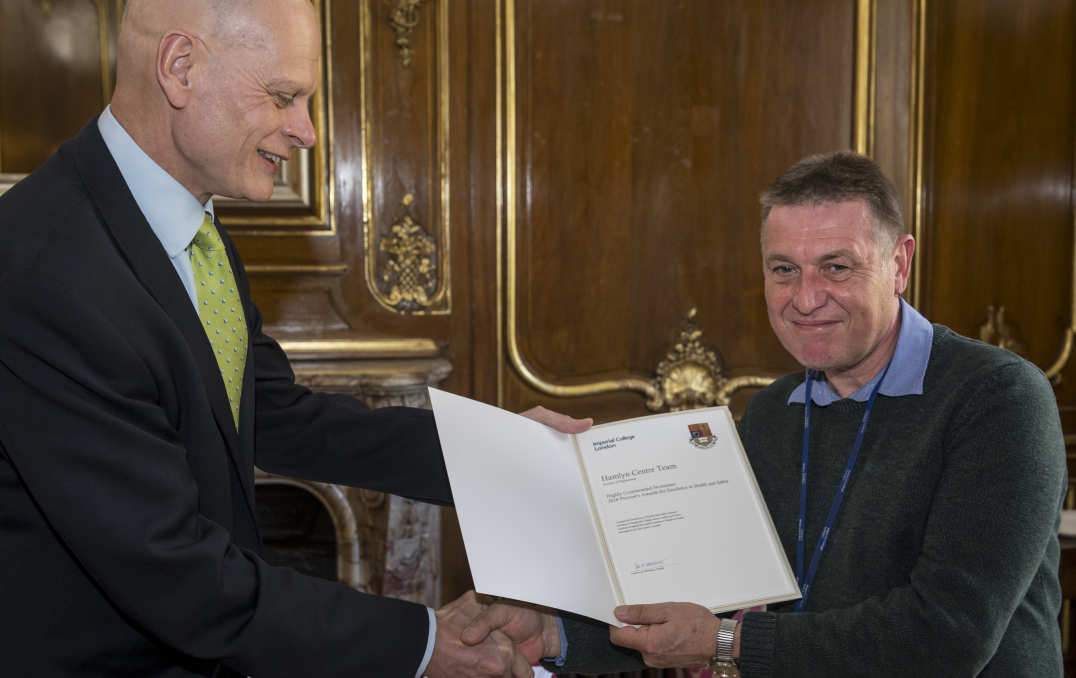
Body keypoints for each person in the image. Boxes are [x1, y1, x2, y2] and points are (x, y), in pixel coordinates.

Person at [0, 1, 590, 676]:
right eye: (283, 97)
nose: (306, 132)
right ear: (180, 69)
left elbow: (277, 413)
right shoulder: (43, 268)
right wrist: (425, 644)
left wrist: (499, 458)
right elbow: (175, 573)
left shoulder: (190, 232)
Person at [462, 152, 1067, 677]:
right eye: (784, 269)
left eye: (836, 266)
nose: (805, 298)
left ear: (899, 264)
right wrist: (554, 634)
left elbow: (946, 636)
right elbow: (701, 593)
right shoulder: (776, 411)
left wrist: (729, 642)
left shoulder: (999, 398)